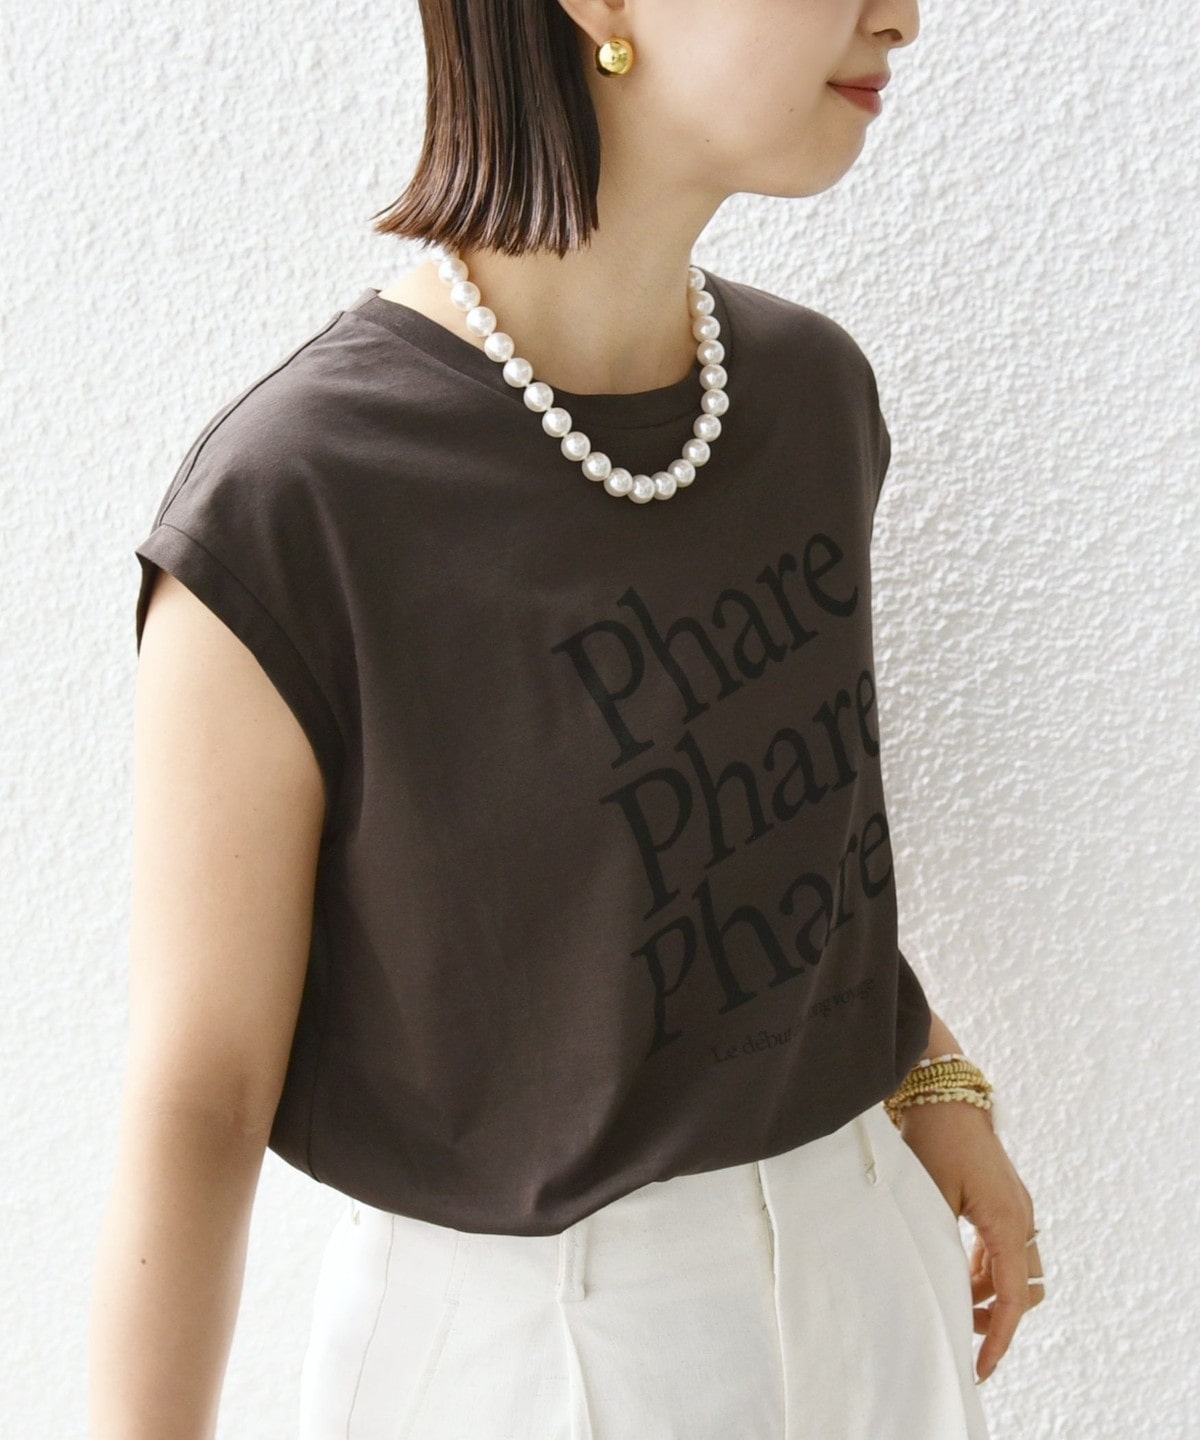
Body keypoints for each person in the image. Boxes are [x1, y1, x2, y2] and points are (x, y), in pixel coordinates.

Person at [90, 1, 1047, 1436]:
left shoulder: (813, 398)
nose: (899, 15)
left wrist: (928, 1072)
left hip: (874, 1277)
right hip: (527, 1357)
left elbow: (748, 852)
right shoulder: (302, 503)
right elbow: (202, 1094)